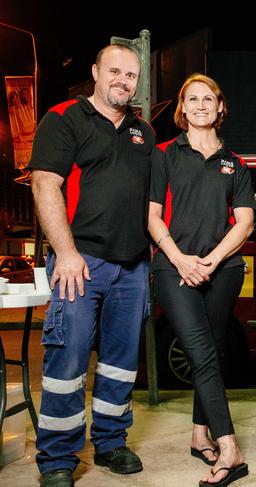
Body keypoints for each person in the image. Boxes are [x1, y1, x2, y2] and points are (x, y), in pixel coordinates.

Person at [29, 45, 154, 487]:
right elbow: (46, 184)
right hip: (79, 263)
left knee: (121, 364)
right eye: (115, 71)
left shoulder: (144, 132)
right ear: (96, 71)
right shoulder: (64, 118)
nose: (124, 80)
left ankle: (110, 442)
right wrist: (65, 252)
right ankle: (58, 458)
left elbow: (153, 202)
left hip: (133, 268)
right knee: (68, 362)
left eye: (132, 74)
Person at [148, 74, 254, 486]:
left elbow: (244, 223)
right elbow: (153, 216)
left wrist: (209, 261)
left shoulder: (236, 163)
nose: (200, 104)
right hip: (172, 268)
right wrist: (180, 260)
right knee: (202, 350)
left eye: (207, 98)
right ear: (182, 108)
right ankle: (229, 446)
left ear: (220, 107)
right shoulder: (164, 155)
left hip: (223, 269)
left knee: (212, 350)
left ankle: (198, 435)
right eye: (191, 99)